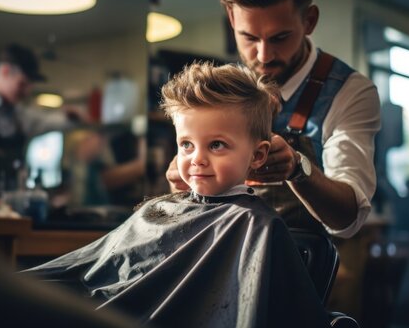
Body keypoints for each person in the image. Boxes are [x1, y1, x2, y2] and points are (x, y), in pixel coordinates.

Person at [25, 62, 330, 327]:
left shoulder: (255, 226)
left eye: (216, 145)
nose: (196, 159)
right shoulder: (163, 209)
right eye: (186, 144)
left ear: (258, 155)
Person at [165, 0, 381, 239]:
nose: (264, 56)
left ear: (309, 21)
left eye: (280, 37)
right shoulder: (225, 87)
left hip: (306, 266)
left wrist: (297, 169)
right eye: (250, 38)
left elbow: (348, 219)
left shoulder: (349, 92)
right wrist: (184, 181)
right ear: (232, 19)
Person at [0, 43, 76, 191]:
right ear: (5, 71)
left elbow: (50, 121)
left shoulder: (20, 116)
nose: (26, 92)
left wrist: (74, 116)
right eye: (23, 84)